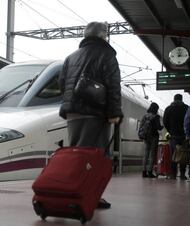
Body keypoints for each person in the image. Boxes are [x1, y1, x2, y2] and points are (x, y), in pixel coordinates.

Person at [59, 22, 123, 209]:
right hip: (95, 113)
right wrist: (114, 113)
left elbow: (62, 85)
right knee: (94, 156)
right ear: (104, 36)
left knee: (75, 154)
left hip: (73, 114)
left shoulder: (71, 57)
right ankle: (89, 196)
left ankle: (72, 190)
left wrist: (72, 104)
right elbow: (113, 86)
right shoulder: (107, 54)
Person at [163, 94, 189, 180]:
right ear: (181, 99)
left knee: (173, 155)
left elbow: (165, 122)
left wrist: (170, 131)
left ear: (174, 99)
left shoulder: (168, 109)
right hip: (184, 136)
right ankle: (182, 174)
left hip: (173, 136)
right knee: (183, 154)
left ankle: (173, 174)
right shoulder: (186, 108)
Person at [141, 102, 163, 178]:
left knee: (146, 154)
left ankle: (144, 172)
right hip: (154, 137)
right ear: (156, 109)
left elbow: (141, 126)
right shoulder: (156, 116)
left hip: (146, 137)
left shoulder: (145, 116)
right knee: (152, 154)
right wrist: (162, 127)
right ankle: (150, 172)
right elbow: (158, 127)